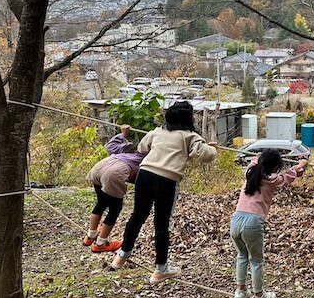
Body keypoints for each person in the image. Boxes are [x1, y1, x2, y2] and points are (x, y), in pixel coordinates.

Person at [110, 101, 217, 283]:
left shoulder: (157, 132)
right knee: (161, 223)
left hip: (144, 175)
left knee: (137, 216)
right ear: (189, 118)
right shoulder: (190, 136)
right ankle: (160, 269)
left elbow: (142, 147)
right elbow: (205, 155)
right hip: (167, 180)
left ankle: (121, 256)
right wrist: (213, 148)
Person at [230, 149, 308, 298]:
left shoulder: (250, 172)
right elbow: (287, 177)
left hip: (236, 219)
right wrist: (300, 165)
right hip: (252, 222)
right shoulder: (271, 179)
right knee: (256, 260)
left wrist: (262, 155)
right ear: (274, 167)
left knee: (242, 255)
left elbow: (255, 159)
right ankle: (258, 296)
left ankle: (240, 290)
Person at [82, 124, 145, 253]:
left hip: (100, 166)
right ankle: (100, 243)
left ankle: (90, 235)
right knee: (115, 208)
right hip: (114, 172)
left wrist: (122, 134)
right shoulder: (148, 155)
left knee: (101, 202)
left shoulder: (130, 147)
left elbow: (110, 147)